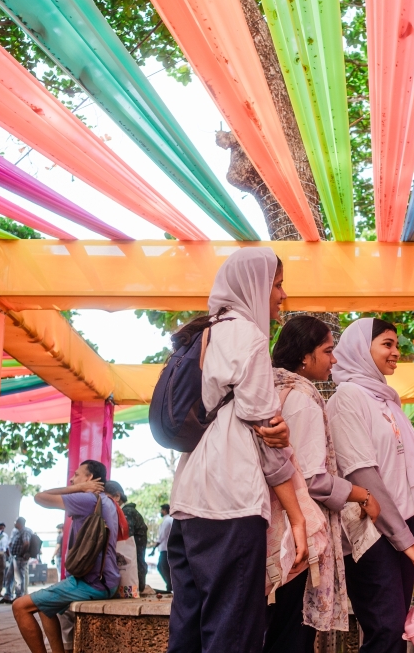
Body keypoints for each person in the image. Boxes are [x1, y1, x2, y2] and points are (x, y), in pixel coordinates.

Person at [167, 248, 307, 653]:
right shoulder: (247, 335)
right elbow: (266, 434)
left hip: (189, 499)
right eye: (277, 284)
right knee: (234, 633)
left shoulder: (201, 333)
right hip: (231, 501)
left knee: (189, 630)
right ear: (255, 286)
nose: (282, 295)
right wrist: (296, 517)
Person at [264, 315, 380, 652]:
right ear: (304, 355)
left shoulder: (269, 388)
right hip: (297, 537)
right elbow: (314, 480)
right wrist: (362, 494)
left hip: (268, 533)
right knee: (291, 636)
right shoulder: (302, 396)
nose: (334, 359)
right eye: (328, 351)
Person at [328, 317, 414, 653]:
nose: (396, 353)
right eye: (387, 344)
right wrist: (408, 543)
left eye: (396, 345)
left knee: (396, 631)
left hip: (403, 529)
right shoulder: (347, 398)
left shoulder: (389, 401)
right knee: (385, 629)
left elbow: (410, 474)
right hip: (372, 533)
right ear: (362, 348)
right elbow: (364, 476)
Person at [11, 459, 118, 653]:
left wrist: (83, 488)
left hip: (91, 583)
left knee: (19, 606)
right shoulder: (106, 501)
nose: (72, 479)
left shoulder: (88, 499)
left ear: (90, 478)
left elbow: (39, 497)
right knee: (45, 607)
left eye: (77, 475)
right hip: (104, 580)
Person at [0, 516, 33, 604]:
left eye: (15, 522)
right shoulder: (17, 531)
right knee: (9, 576)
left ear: (19, 523)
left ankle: (19, 596)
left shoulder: (25, 531)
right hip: (14, 557)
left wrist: (21, 554)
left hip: (20, 558)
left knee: (19, 578)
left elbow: (26, 543)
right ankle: (7, 595)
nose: (14, 523)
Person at [120, 493, 149, 592]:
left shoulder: (127, 512)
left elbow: (126, 535)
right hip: (138, 567)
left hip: (135, 571)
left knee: (130, 592)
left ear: (117, 496)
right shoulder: (128, 511)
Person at [149, 504, 173, 593]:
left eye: (161, 510)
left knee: (162, 567)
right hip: (168, 548)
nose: (160, 512)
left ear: (165, 510)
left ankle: (170, 586)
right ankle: (170, 586)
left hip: (165, 549)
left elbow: (162, 537)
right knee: (165, 567)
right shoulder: (170, 520)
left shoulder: (167, 521)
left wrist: (153, 549)